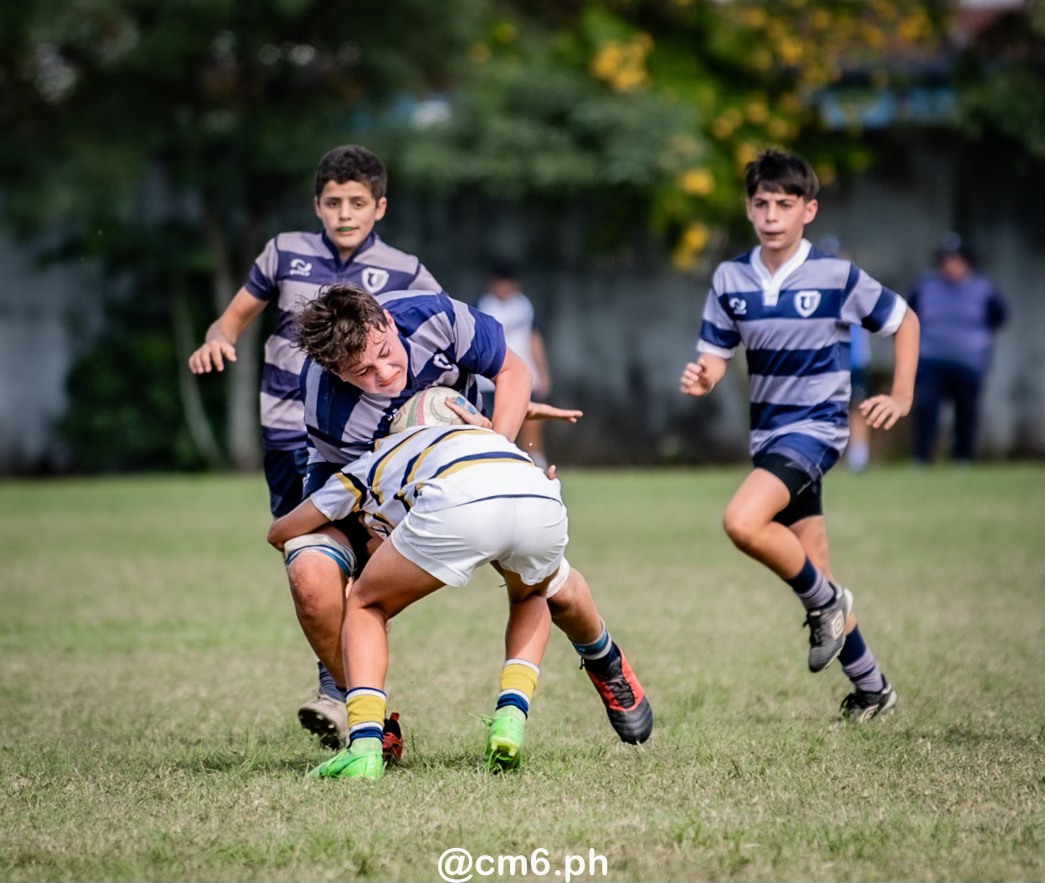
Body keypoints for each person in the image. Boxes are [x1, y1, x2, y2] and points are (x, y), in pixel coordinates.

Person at [288, 283, 642, 752]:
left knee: (546, 585)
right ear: (335, 371)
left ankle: (604, 657)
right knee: (311, 575)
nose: (386, 373)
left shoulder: (435, 317)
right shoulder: (335, 415)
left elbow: (513, 370)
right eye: (363, 372)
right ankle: (369, 719)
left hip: (472, 452)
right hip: (374, 478)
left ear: (390, 324)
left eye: (386, 353)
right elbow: (374, 496)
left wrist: (501, 456)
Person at [187, 144, 446, 746]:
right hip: (285, 433)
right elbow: (233, 318)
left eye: (357, 202)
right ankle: (357, 694)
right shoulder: (284, 253)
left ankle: (340, 694)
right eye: (334, 202)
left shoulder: (406, 269)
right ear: (317, 205)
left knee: (349, 551)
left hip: (366, 445)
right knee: (307, 561)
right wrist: (218, 338)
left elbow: (441, 331)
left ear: (379, 206)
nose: (345, 213)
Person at [267, 411, 652, 779]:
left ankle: (365, 746)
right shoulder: (491, 440)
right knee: (532, 596)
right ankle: (510, 719)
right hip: (541, 494)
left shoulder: (377, 457)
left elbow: (281, 532)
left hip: (458, 504)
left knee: (368, 605)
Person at [679, 149, 920, 722]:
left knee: (742, 521)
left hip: (817, 430)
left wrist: (903, 394)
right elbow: (715, 353)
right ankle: (872, 690)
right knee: (816, 568)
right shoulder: (730, 278)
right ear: (748, 208)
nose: (771, 215)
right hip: (768, 437)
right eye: (761, 204)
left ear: (808, 210)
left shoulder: (836, 276)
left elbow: (904, 320)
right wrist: (704, 374)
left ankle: (827, 604)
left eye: (785, 205)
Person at [908, 234, 1008, 465]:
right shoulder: (925, 287)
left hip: (969, 362)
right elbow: (908, 317)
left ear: (967, 262)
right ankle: (921, 459)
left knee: (966, 412)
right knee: (926, 409)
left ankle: (963, 459)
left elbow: (1000, 317)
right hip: (930, 359)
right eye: (945, 260)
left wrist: (974, 340)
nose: (950, 266)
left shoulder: (983, 289)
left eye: (955, 260)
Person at [475, 263, 554, 468]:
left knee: (532, 423)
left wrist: (543, 372)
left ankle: (537, 464)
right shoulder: (483, 306)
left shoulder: (524, 306)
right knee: (494, 425)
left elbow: (533, 338)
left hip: (524, 375)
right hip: (491, 379)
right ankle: (496, 464)